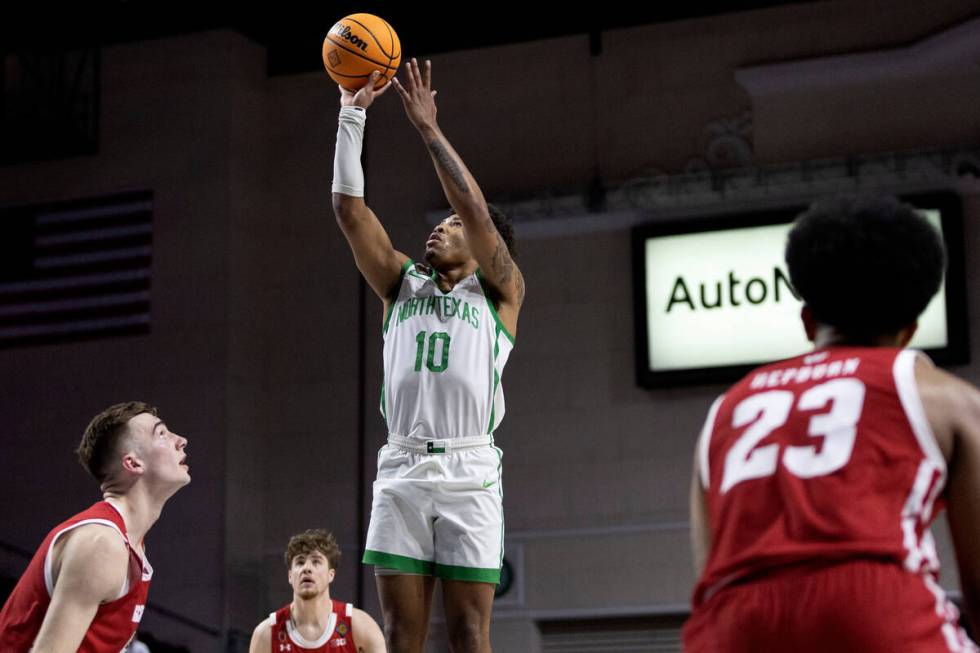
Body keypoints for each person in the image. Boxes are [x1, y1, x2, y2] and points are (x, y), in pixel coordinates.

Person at [683, 195, 980, 652]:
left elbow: (710, 568)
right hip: (872, 610)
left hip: (732, 623)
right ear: (910, 329)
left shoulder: (725, 410)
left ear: (807, 321)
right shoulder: (943, 396)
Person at [330, 59, 525, 653]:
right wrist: (352, 114)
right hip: (404, 466)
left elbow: (472, 208)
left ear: (483, 240)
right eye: (437, 225)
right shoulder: (399, 283)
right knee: (400, 635)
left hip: (470, 469)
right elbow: (349, 211)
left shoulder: (501, 291)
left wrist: (427, 128)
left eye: (451, 226)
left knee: (469, 632)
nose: (437, 230)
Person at [0, 401, 190, 652]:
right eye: (162, 433)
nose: (181, 440)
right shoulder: (102, 543)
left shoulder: (129, 545)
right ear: (133, 463)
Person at [247, 530, 385, 653]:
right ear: (290, 576)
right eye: (300, 562)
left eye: (316, 562)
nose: (307, 568)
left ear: (331, 574)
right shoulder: (266, 634)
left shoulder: (361, 626)